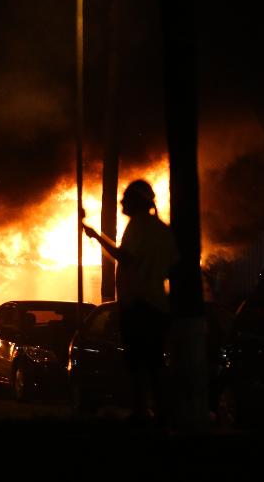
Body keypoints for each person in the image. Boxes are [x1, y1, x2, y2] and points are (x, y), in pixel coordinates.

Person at [82, 179, 178, 425]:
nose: (122, 201)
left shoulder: (138, 226)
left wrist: (96, 236)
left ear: (137, 201)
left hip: (138, 305)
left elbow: (125, 256)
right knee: (155, 362)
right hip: (157, 306)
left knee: (137, 363)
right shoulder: (163, 230)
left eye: (126, 198)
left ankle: (141, 412)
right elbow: (171, 268)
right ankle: (162, 412)